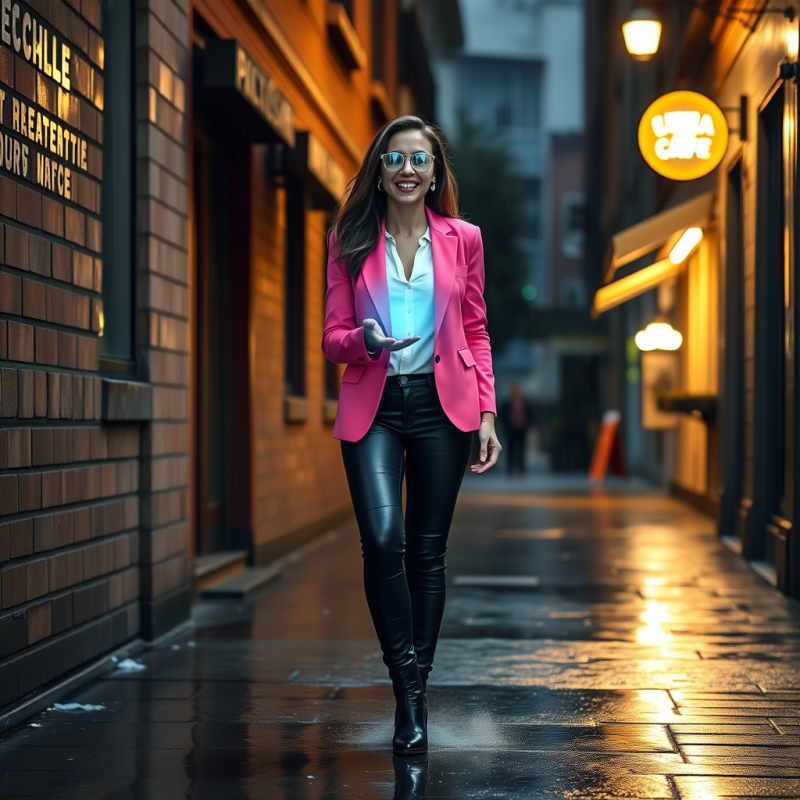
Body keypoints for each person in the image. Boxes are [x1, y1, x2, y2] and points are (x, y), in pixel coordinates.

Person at [322, 115, 501, 755]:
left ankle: (411, 698)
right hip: (373, 404)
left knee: (426, 553)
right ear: (379, 170)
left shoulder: (464, 239)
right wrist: (363, 339)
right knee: (382, 540)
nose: (406, 169)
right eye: (394, 158)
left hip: (441, 404)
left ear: (434, 172)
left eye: (419, 159)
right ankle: (408, 686)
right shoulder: (348, 239)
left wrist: (487, 413)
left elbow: (475, 328)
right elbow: (332, 337)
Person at [499, 383, 533, 475]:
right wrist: (505, 427)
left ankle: (521, 468)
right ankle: (510, 468)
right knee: (510, 449)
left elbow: (529, 415)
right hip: (511, 430)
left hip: (522, 429)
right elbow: (503, 417)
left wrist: (529, 426)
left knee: (522, 449)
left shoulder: (525, 403)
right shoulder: (507, 403)